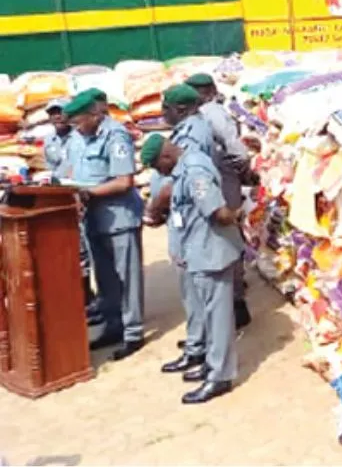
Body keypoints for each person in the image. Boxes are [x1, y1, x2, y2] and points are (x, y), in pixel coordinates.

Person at [141, 134, 242, 404]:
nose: (160, 173)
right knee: (208, 314)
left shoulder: (195, 169)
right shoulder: (185, 167)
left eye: (158, 167)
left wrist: (240, 213)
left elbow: (218, 213)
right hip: (198, 251)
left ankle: (220, 376)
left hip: (211, 252)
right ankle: (211, 363)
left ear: (165, 156)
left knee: (218, 317)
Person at [63, 89, 145, 360]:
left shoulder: (115, 135)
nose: (76, 128)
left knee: (127, 277)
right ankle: (113, 325)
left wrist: (88, 193)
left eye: (79, 121)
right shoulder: (76, 138)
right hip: (92, 219)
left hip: (119, 217)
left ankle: (133, 332)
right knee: (106, 277)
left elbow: (124, 181)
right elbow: (66, 172)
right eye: (73, 123)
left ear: (95, 115)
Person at [145, 84, 215, 375]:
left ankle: (200, 349)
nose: (163, 114)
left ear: (182, 110)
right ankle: (197, 342)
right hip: (178, 215)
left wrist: (157, 204)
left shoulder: (192, 135)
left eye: (167, 109)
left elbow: (186, 177)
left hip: (186, 218)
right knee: (190, 289)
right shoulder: (187, 129)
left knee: (194, 288)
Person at [185, 73, 252, 330]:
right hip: (214, 180)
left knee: (227, 238)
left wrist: (238, 169)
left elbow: (235, 148)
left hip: (222, 181)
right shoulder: (200, 114)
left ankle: (237, 303)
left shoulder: (212, 112)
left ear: (206, 92)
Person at [45, 97, 100, 324]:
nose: (57, 116)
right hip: (60, 198)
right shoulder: (48, 141)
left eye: (60, 112)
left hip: (82, 196)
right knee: (70, 248)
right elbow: (52, 169)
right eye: (52, 113)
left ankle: (89, 297)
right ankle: (80, 297)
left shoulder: (81, 138)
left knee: (85, 250)